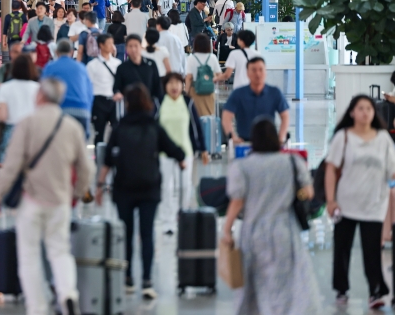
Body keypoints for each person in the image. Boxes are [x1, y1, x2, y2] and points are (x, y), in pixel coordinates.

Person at [0, 78, 91, 315]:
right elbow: (86, 168)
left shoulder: (28, 124)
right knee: (60, 251)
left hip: (32, 201)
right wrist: (76, 194)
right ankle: (67, 296)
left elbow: (12, 166)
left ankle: (38, 308)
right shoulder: (71, 126)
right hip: (60, 201)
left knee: (29, 256)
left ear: (41, 97)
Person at [96, 83, 186, 300]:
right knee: (147, 235)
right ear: (146, 102)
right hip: (149, 187)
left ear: (127, 104)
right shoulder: (153, 126)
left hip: (124, 188)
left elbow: (107, 160)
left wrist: (99, 186)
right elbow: (175, 150)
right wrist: (182, 159)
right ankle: (147, 280)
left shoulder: (119, 127)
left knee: (126, 233)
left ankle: (127, 278)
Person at [222, 119, 321, 314]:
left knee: (256, 283)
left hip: (253, 232)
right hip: (284, 230)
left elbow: (237, 202)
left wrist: (227, 229)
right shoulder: (293, 162)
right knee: (286, 282)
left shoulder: (241, 167)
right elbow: (308, 193)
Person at [325, 95, 395, 308]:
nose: (365, 112)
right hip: (346, 204)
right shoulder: (343, 137)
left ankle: (375, 291)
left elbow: (392, 170)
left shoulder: (383, 139)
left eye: (369, 108)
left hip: (374, 205)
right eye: (360, 108)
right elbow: (330, 169)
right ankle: (341, 289)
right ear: (352, 112)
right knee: (342, 249)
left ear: (374, 113)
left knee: (372, 251)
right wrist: (330, 200)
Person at [156, 73, 208, 235]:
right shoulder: (159, 103)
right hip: (164, 154)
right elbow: (153, 128)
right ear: (165, 86)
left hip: (185, 152)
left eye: (177, 83)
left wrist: (203, 149)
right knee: (165, 187)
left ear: (182, 85)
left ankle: (182, 216)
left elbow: (196, 127)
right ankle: (167, 222)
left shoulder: (188, 102)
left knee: (185, 187)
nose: (174, 86)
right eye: (170, 83)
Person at [223, 57, 290, 144]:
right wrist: (233, 138)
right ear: (247, 73)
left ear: (266, 72)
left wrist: (281, 137)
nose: (257, 74)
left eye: (261, 70)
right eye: (253, 70)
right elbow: (226, 116)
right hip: (245, 142)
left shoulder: (275, 92)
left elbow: (285, 116)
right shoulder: (238, 94)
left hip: (269, 142)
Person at [41, 39, 94, 136]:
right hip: (81, 111)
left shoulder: (50, 67)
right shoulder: (81, 68)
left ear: (56, 52)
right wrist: (87, 111)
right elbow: (89, 93)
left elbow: (44, 91)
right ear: (71, 52)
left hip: (59, 112)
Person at [0, 54, 41, 163]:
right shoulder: (38, 88)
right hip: (32, 131)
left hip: (11, 131)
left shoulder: (5, 88)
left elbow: (3, 116)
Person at [86, 34, 121, 146]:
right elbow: (88, 87)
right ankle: (99, 160)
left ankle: (113, 159)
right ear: (101, 45)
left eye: (113, 43)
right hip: (98, 101)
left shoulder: (117, 64)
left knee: (117, 132)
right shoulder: (92, 65)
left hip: (114, 101)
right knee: (99, 133)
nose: (112, 46)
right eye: (109, 43)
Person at [113, 34, 164, 104]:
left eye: (136, 46)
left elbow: (157, 86)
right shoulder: (122, 67)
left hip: (149, 105)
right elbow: (116, 88)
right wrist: (117, 94)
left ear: (141, 47)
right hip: (129, 106)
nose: (133, 49)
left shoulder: (151, 64)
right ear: (126, 48)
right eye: (130, 46)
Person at [185, 34, 223, 116]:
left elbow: (189, 77)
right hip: (209, 90)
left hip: (195, 90)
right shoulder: (212, 57)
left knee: (196, 115)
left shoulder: (191, 58)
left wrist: (186, 92)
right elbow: (220, 75)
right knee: (209, 114)